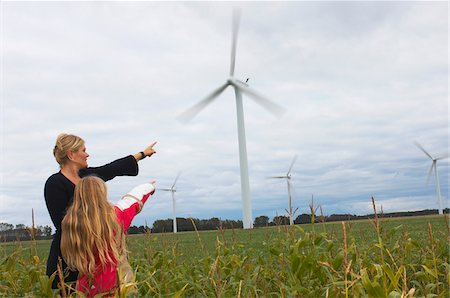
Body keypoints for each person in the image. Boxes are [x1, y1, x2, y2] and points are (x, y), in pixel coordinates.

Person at [44, 133, 156, 289]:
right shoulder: (54, 183)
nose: (87, 154)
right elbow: (62, 224)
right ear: (71, 154)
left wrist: (142, 154)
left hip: (94, 257)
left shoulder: (86, 176)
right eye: (83, 150)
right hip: (69, 258)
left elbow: (112, 168)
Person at [61, 176, 155, 297]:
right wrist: (150, 186)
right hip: (118, 286)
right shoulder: (115, 216)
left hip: (85, 288)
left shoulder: (70, 223)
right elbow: (133, 199)